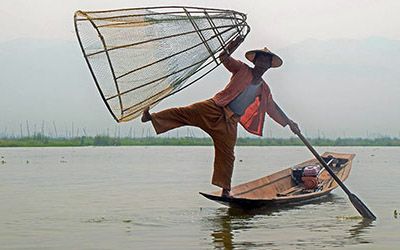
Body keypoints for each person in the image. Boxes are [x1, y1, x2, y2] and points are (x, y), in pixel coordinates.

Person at [141, 36, 300, 197]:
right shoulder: (242, 69)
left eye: (266, 62)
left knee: (227, 155)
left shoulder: (264, 89)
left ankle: (225, 190)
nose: (263, 64)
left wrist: (289, 123)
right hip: (216, 107)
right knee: (185, 112)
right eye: (261, 60)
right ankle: (151, 117)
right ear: (255, 61)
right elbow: (224, 58)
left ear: (268, 67)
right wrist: (232, 45)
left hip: (231, 121)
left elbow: (271, 109)